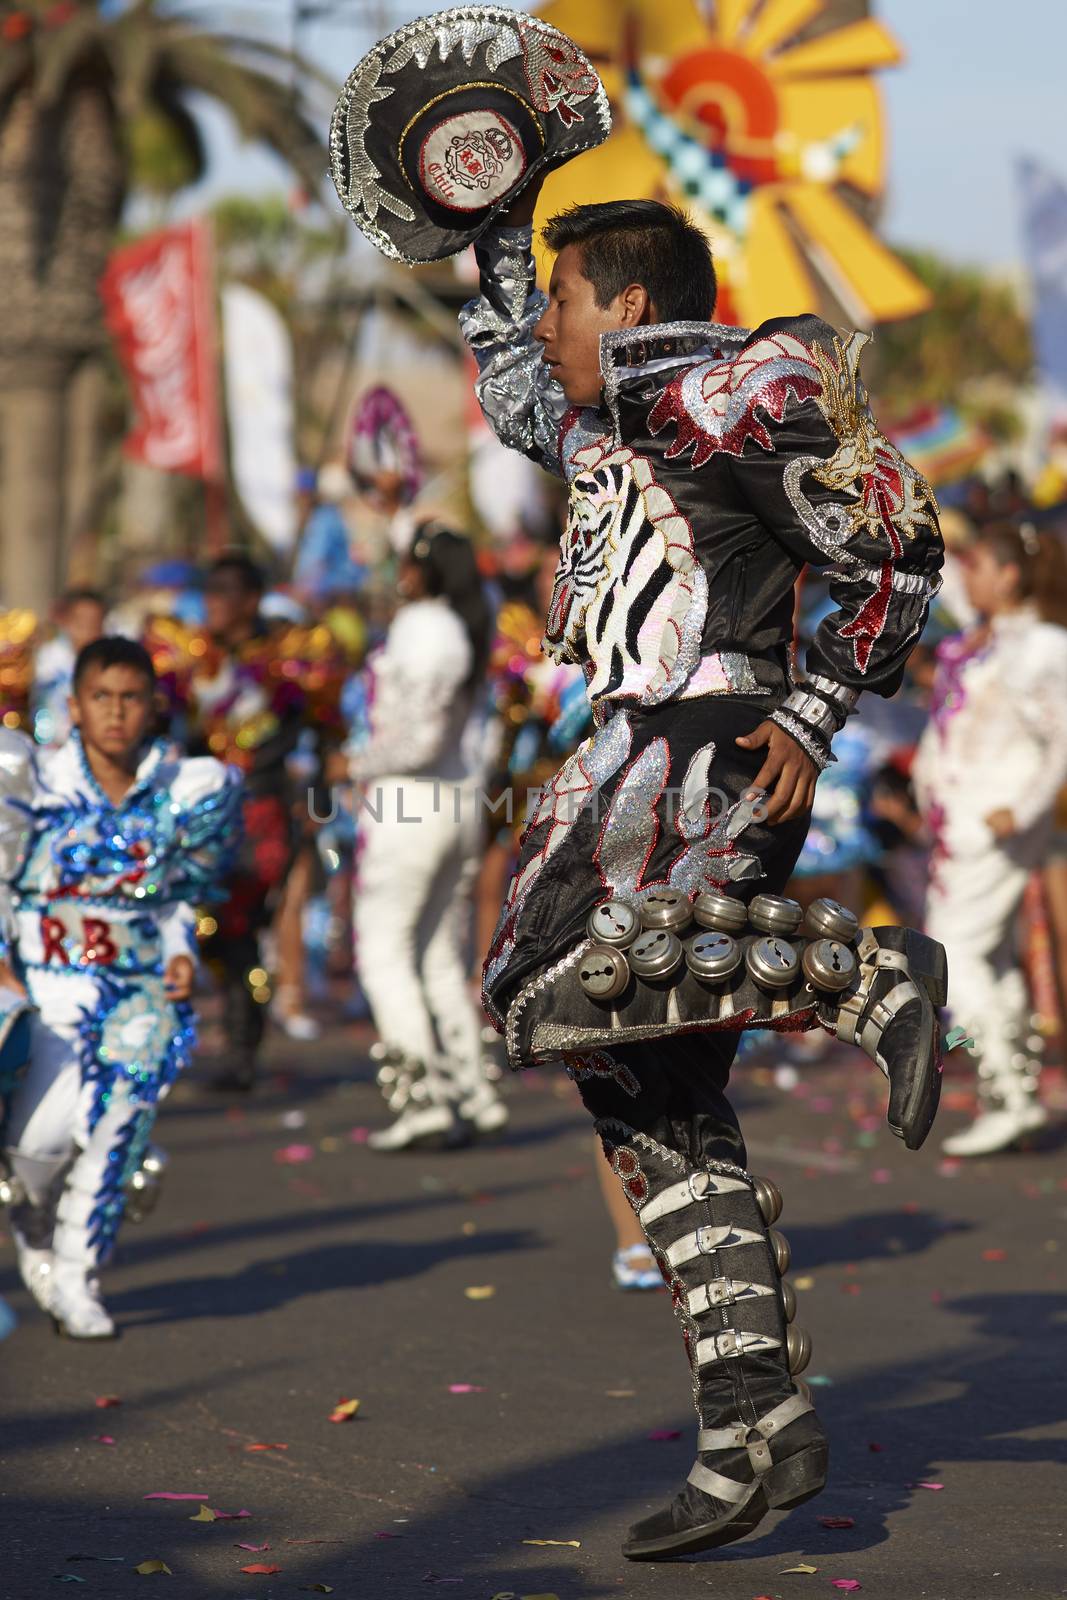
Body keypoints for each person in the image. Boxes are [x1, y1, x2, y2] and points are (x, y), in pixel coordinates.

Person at [459, 187, 945, 1560]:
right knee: (643, 1087)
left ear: (624, 306)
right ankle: (754, 1423)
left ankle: (856, 971)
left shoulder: (741, 386)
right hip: (630, 739)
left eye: (562, 300)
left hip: (707, 747)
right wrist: (488, 232)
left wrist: (810, 709)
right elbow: (512, 388)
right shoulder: (607, 415)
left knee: (530, 989)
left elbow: (895, 545)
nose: (544, 328)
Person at [0, 637, 239, 1338]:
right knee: (38, 1146)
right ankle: (38, 1231)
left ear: (152, 707)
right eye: (101, 698)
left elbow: (171, 899)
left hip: (136, 993)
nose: (115, 713)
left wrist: (180, 952)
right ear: (73, 706)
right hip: (47, 991)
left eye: (130, 698)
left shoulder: (178, 790)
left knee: (115, 1124)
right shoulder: (32, 783)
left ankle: (78, 1278)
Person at [146, 555, 344, 1090]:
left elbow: (323, 732)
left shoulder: (290, 655)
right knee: (207, 926)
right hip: (201, 808)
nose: (212, 604)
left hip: (263, 808)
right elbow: (170, 725)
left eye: (224, 593)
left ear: (251, 599)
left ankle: (242, 1048)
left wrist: (318, 808)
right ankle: (234, 1041)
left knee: (239, 923)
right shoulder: (192, 655)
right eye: (207, 592)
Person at [347, 525, 508, 1151]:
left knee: (384, 954)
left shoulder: (423, 628)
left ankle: (422, 1100)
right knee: (438, 954)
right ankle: (473, 1089)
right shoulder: (470, 620)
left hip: (408, 804)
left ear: (424, 570)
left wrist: (353, 764)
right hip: (458, 804)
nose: (398, 574)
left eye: (406, 563)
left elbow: (417, 740)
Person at [914, 521, 1067, 1155]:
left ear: (1009, 576)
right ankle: (1015, 1093)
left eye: (980, 568)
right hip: (963, 827)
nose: (967, 579)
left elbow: (1062, 741)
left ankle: (1005, 1085)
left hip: (994, 826)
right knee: (988, 958)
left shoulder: (1044, 646)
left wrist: (1022, 807)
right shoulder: (986, 641)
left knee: (947, 958)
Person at [31, 588, 107, 747]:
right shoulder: (47, 661)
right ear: (67, 622)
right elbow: (40, 704)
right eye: (81, 623)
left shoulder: (111, 662)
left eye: (95, 623)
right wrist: (47, 739)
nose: (88, 631)